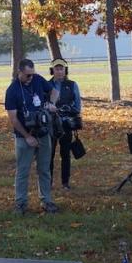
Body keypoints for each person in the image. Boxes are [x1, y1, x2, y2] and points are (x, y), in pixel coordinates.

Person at [5, 59, 59, 215]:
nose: (30, 78)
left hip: (43, 133)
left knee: (44, 169)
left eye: (32, 74)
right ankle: (20, 203)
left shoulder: (38, 79)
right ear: (19, 72)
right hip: (24, 137)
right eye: (27, 75)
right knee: (23, 171)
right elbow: (13, 119)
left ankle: (46, 200)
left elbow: (54, 92)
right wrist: (27, 136)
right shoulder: (12, 90)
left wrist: (51, 103)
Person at [48, 58, 82, 190]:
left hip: (66, 125)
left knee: (65, 154)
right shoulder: (46, 85)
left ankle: (65, 182)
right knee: (49, 154)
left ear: (65, 70)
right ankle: (48, 182)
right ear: (52, 71)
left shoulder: (72, 85)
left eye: (61, 68)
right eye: (57, 69)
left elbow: (77, 106)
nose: (59, 71)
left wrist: (67, 110)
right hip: (51, 125)